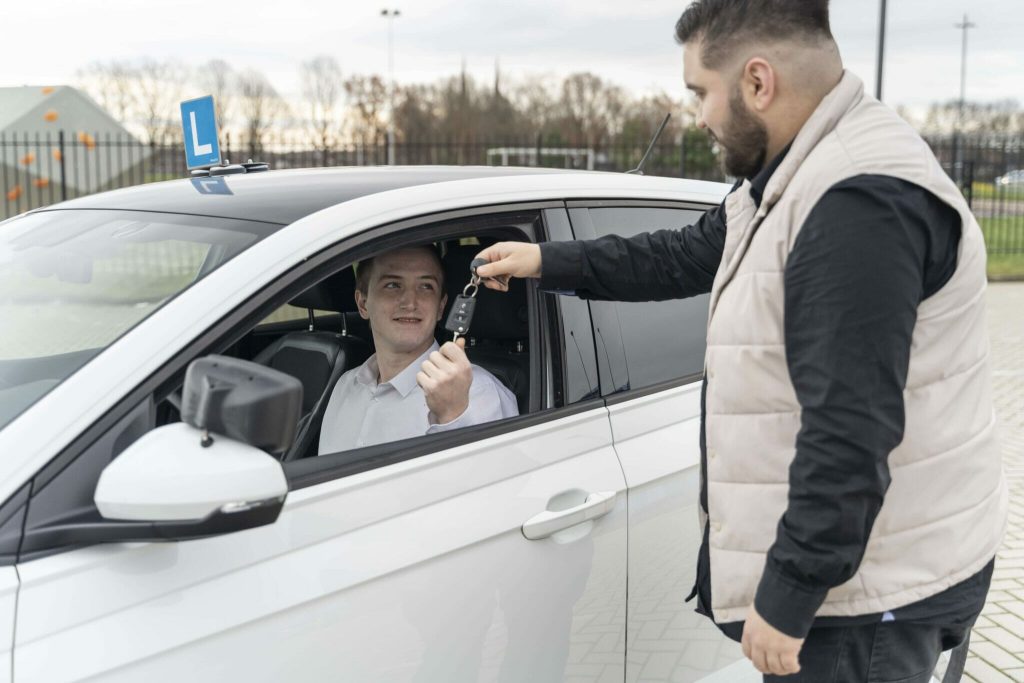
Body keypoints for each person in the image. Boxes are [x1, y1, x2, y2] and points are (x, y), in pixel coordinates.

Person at [474, 1, 1007, 680]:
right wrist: (547, 260)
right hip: (865, 577)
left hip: (867, 603)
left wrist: (789, 594)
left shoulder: (858, 204)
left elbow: (850, 431)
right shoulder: (786, 180)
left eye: (701, 91)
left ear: (758, 81)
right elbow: (679, 256)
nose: (698, 116)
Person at [317, 245, 517, 455]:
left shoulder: (478, 393)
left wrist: (453, 417)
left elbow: (497, 473)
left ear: (441, 307)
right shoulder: (345, 385)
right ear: (363, 304)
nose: (410, 302)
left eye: (426, 286)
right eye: (393, 285)